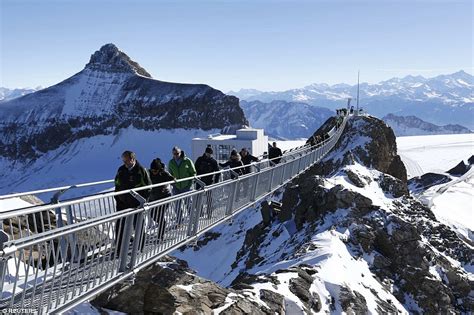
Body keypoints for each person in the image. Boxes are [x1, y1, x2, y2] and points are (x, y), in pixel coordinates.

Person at [114, 150, 152, 255]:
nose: (125, 163)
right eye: (123, 160)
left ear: (132, 159)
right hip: (122, 203)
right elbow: (117, 184)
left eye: (126, 160)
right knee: (120, 225)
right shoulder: (121, 170)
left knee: (138, 225)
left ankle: (139, 248)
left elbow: (148, 187)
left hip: (137, 203)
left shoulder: (141, 170)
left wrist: (143, 201)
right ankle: (119, 249)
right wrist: (118, 198)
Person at [168, 146, 196, 225]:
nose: (176, 155)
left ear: (180, 153)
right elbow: (170, 174)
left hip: (186, 186)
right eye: (174, 154)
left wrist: (189, 183)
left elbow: (193, 172)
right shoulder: (171, 162)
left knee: (188, 204)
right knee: (177, 205)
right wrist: (172, 182)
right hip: (176, 187)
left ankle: (192, 220)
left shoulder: (187, 161)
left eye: (177, 153)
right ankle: (179, 221)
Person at [148, 158, 174, 241]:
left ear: (159, 169)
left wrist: (172, 179)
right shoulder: (149, 173)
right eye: (152, 170)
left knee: (160, 215)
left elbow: (172, 178)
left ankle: (160, 236)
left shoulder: (164, 173)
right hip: (153, 198)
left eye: (155, 170)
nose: (153, 172)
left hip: (164, 197)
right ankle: (162, 226)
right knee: (153, 215)